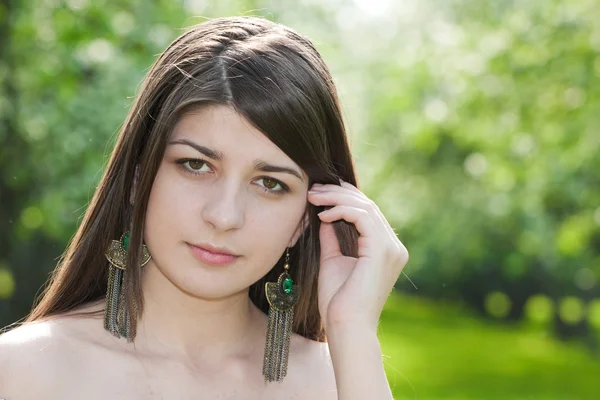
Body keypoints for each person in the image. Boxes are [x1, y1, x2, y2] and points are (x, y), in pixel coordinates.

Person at [0, 16, 408, 399]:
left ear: (307, 218)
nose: (224, 216)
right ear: (139, 178)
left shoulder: (341, 379)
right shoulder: (23, 370)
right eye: (196, 165)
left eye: (270, 184)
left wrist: (352, 330)